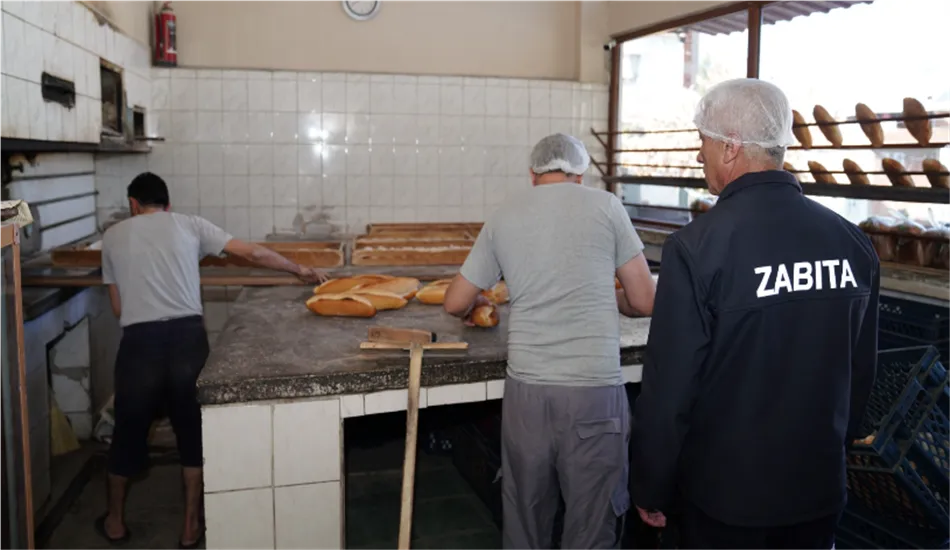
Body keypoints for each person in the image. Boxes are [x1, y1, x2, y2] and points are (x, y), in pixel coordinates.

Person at [630, 79, 879, 550]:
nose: (698, 155)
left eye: (702, 141)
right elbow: (861, 371)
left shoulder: (698, 247)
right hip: (818, 491)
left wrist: (651, 484)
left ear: (730, 148)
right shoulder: (851, 242)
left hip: (727, 500)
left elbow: (670, 388)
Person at [443, 134, 657, 550]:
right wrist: (600, 293)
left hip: (528, 397)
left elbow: (454, 302)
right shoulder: (607, 207)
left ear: (532, 174)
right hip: (593, 394)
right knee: (592, 524)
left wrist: (485, 296)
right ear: (580, 175)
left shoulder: (504, 215)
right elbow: (645, 300)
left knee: (525, 520)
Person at [95, 172, 327, 548]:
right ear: (168, 205)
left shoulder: (112, 237)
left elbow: (119, 307)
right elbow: (251, 252)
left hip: (140, 346)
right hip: (188, 342)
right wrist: (298, 269)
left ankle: (116, 523)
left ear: (133, 205)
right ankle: (190, 527)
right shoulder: (190, 225)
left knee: (126, 434)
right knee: (193, 434)